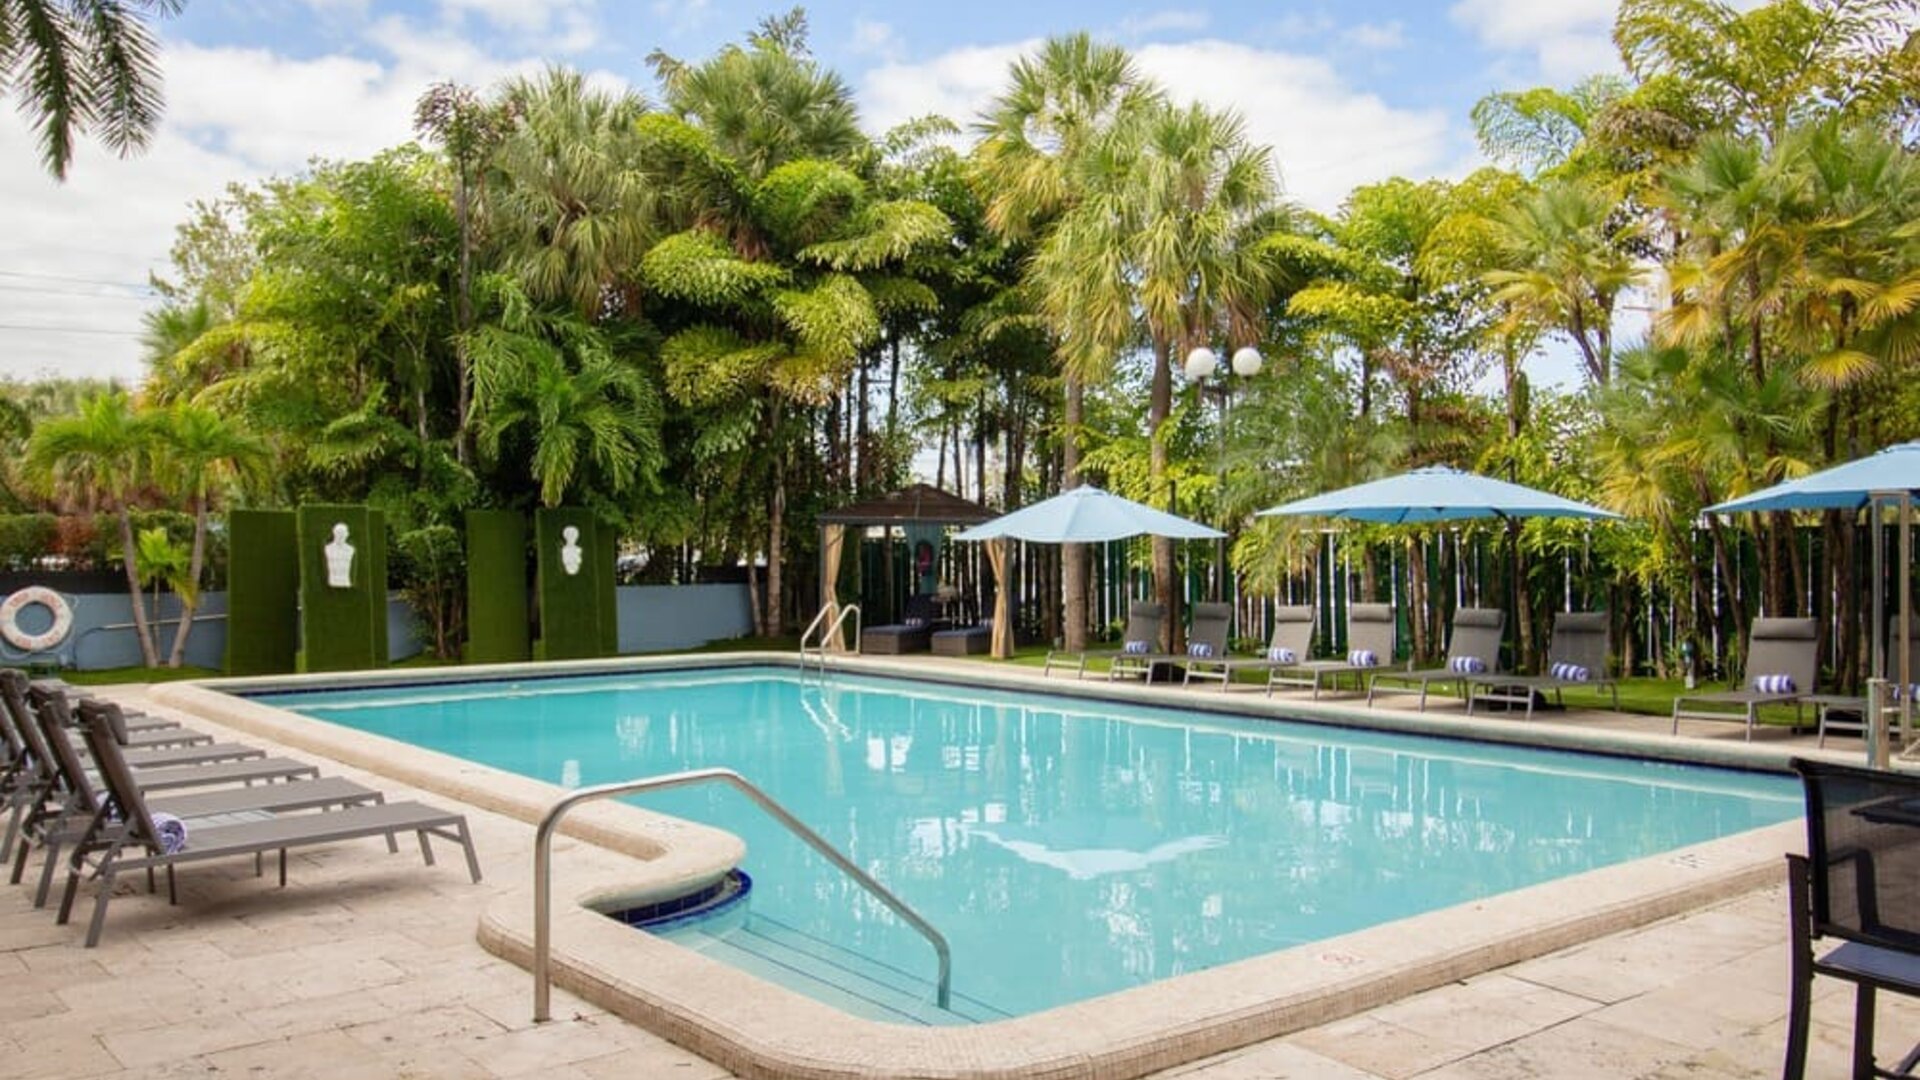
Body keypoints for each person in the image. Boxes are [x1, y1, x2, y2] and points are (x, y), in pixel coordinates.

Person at [324, 523, 355, 588]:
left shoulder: (350, 549)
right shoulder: (328, 548)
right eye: (339, 533)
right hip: (332, 581)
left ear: (347, 534)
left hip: (345, 582)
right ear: (334, 534)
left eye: (343, 533)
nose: (341, 536)